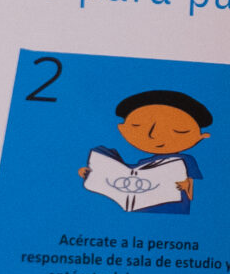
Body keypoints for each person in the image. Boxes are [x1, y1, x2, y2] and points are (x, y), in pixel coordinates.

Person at [80, 89, 212, 214]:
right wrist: (94, 174)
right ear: (122, 129)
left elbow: (200, 188)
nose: (153, 135)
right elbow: (127, 172)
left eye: (178, 130)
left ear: (201, 137)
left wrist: (187, 185)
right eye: (137, 126)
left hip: (173, 209)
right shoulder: (145, 162)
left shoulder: (185, 161)